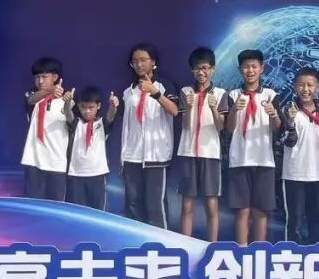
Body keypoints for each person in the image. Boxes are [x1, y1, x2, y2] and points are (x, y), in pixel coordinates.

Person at [225, 49, 283, 245]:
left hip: (264, 160)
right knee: (242, 211)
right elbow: (229, 128)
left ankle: (260, 252)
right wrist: (234, 110)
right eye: (246, 67)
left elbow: (277, 127)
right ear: (240, 70)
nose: (250, 70)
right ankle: (241, 251)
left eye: (254, 66)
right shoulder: (233, 95)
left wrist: (273, 114)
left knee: (260, 211)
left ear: (261, 69)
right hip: (239, 159)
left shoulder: (270, 95)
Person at [118, 43, 180, 228]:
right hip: (132, 155)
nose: (139, 64)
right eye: (135, 61)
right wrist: (113, 106)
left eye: (143, 60)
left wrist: (155, 92)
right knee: (133, 203)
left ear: (153, 62)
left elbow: (174, 111)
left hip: (156, 154)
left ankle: (159, 242)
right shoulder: (129, 91)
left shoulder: (164, 85)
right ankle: (135, 241)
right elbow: (123, 119)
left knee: (155, 204)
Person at [177, 47, 228, 241]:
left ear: (212, 69)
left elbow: (220, 126)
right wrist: (189, 107)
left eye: (205, 68)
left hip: (210, 154)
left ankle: (212, 246)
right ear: (192, 70)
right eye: (197, 68)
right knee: (187, 205)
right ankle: (185, 245)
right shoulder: (186, 91)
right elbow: (185, 125)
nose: (201, 72)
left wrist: (214, 109)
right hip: (188, 153)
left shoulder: (221, 93)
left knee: (211, 204)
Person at [281, 67, 319, 244]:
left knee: (316, 218)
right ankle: (291, 253)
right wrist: (290, 122)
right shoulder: (288, 110)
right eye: (301, 85)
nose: (305, 89)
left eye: (310, 85)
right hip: (294, 173)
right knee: (294, 219)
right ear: (295, 86)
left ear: (317, 87)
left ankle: (315, 253)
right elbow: (287, 141)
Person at [20, 57, 70, 201]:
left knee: (54, 207)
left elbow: (73, 121)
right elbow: (30, 100)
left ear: (55, 77)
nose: (40, 81)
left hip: (56, 163)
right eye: (37, 77)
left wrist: (67, 100)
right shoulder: (32, 95)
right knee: (33, 206)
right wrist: (50, 90)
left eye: (44, 76)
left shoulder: (67, 99)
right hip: (33, 161)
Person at [65, 87, 120, 211]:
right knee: (77, 211)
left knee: (97, 211)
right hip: (76, 175)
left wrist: (113, 106)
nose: (87, 111)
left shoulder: (102, 124)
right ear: (78, 106)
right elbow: (68, 114)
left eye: (91, 107)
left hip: (97, 175)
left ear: (98, 106)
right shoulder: (76, 123)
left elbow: (111, 116)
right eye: (83, 107)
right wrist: (67, 103)